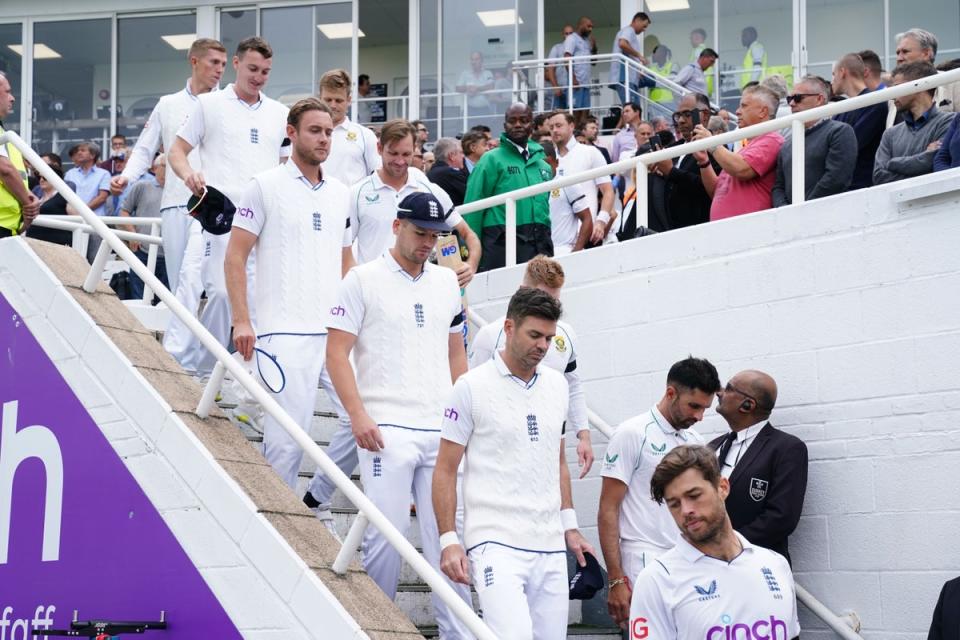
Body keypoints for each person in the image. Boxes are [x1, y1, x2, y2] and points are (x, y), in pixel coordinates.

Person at [326, 191, 475, 639]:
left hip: (439, 431)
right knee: (385, 541)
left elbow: (457, 354)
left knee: (448, 542)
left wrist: (461, 419)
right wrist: (357, 415)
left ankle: (460, 634)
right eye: (420, 232)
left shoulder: (447, 283)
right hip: (384, 429)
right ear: (396, 226)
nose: (428, 242)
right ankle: (375, 630)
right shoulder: (361, 279)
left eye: (435, 236)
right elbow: (336, 354)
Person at [434, 286, 594, 640]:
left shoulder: (557, 386)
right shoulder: (469, 387)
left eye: (549, 338)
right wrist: (448, 540)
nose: (542, 345)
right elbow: (445, 469)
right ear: (509, 328)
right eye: (534, 334)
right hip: (494, 542)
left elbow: (558, 461)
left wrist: (569, 525)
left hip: (550, 543)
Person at [225, 98, 353, 498]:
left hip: (333, 334)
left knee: (365, 421)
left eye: (329, 132)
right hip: (283, 334)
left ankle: (316, 499)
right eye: (315, 130)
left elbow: (347, 262)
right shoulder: (263, 185)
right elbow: (235, 256)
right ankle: (276, 536)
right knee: (284, 447)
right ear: (291, 132)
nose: (324, 139)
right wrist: (242, 320)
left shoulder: (340, 192)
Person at [168, 36, 289, 378]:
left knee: (258, 303)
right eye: (252, 68)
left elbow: (285, 167)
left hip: (265, 223)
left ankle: (242, 380)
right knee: (221, 294)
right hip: (219, 218)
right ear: (235, 64)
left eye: (265, 71)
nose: (258, 76)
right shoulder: (208, 105)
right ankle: (202, 372)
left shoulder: (280, 113)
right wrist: (189, 174)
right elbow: (176, 152)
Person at [113, 38, 227, 374]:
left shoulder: (227, 102)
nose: (219, 70)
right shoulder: (168, 104)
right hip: (179, 204)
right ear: (194, 62)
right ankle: (187, 366)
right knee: (183, 287)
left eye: (223, 64)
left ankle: (208, 365)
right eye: (213, 63)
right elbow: (145, 148)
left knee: (219, 289)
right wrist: (127, 178)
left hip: (219, 205)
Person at [629, 445, 801, 638]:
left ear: (723, 488)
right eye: (674, 504)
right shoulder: (657, 579)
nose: (686, 510)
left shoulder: (775, 563)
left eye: (694, 496)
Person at [598, 356, 719, 630]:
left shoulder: (695, 441)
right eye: (694, 406)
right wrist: (616, 580)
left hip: (690, 563)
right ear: (670, 393)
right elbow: (608, 508)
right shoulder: (631, 433)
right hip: (642, 562)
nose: (699, 416)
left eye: (705, 409)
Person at [469, 256, 595, 472]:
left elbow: (573, 387)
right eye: (542, 297)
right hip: (501, 445)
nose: (547, 307)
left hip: (549, 438)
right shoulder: (489, 336)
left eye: (554, 302)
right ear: (521, 290)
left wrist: (583, 435)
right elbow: (471, 395)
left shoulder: (566, 335)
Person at [343, 119, 479, 275]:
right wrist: (359, 285)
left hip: (419, 292)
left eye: (406, 154)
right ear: (379, 149)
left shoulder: (429, 189)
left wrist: (471, 265)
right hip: (374, 293)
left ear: (415, 149)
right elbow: (342, 249)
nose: (400, 161)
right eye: (393, 153)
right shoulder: (357, 193)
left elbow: (469, 234)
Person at [710, 370, 808, 564]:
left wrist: (727, 545)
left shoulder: (786, 448)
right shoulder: (713, 447)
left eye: (729, 388)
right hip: (712, 567)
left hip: (758, 566)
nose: (719, 392)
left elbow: (781, 518)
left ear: (747, 405)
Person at [463, 102, 553, 271]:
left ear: (532, 125)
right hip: (500, 243)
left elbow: (545, 209)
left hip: (540, 241)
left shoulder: (544, 166)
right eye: (513, 121)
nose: (518, 124)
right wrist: (471, 251)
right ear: (505, 126)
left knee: (539, 295)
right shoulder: (491, 160)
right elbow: (472, 206)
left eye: (524, 120)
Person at [694, 85, 784, 221]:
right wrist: (704, 162)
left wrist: (711, 143)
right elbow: (717, 191)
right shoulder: (745, 148)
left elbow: (741, 170)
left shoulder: (772, 140)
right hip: (730, 230)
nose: (737, 111)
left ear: (762, 112)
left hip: (748, 229)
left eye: (744, 106)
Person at [772, 76, 857, 207]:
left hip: (829, 216)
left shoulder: (839, 132)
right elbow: (778, 187)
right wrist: (786, 210)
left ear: (819, 99)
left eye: (798, 98)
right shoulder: (787, 144)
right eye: (790, 98)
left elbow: (836, 179)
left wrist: (803, 209)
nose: (792, 103)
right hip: (791, 220)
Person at [647, 93, 721, 229]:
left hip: (697, 229)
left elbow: (713, 190)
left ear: (704, 115)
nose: (680, 120)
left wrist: (671, 171)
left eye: (687, 114)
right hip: (666, 228)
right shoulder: (671, 149)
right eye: (678, 115)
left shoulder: (717, 147)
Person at [874, 61, 954, 184]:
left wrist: (892, 162)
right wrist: (923, 159)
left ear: (919, 86)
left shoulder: (949, 122)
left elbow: (935, 162)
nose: (892, 96)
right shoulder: (890, 134)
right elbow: (879, 177)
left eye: (897, 88)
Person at [548, 110, 616, 245]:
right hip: (555, 237)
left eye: (559, 125)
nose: (554, 130)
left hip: (586, 233)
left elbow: (608, 191)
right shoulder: (548, 158)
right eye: (551, 127)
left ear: (572, 126)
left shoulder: (590, 152)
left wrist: (601, 221)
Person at [832, 53, 889, 190]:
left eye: (833, 75)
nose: (832, 81)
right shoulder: (840, 110)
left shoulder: (876, 103)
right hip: (843, 188)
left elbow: (849, 145)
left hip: (864, 187)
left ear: (842, 72)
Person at [318, 68, 381, 187]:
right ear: (320, 98)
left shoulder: (365, 135)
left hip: (351, 204)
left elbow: (377, 175)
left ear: (349, 100)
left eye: (338, 100)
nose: (333, 105)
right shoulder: (306, 135)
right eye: (328, 100)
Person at [119, 153, 170, 300]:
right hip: (142, 251)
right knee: (139, 297)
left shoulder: (179, 191)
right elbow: (124, 211)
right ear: (155, 168)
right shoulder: (142, 187)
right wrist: (132, 235)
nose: (169, 170)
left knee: (166, 300)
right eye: (166, 166)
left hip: (169, 254)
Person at [0, 71, 38, 238]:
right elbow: (5, 170)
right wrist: (28, 204)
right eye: (7, 92)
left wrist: (28, 200)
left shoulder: (4, 134)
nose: (12, 98)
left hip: (7, 226)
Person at [537, 142, 592, 255]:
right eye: (539, 165)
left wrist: (576, 252)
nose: (543, 169)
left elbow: (587, 219)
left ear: (556, 163)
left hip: (563, 251)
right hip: (539, 255)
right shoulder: (531, 188)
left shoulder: (567, 183)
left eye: (547, 163)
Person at [64, 141, 111, 262]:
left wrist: (82, 211)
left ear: (93, 155)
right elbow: (65, 196)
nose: (79, 153)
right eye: (77, 150)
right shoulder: (70, 174)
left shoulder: (104, 174)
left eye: (83, 150)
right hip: (74, 223)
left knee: (94, 261)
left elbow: (102, 197)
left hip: (95, 223)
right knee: (73, 260)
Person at [25, 154, 75, 246]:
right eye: (39, 177)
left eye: (45, 177)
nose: (41, 180)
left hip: (57, 243)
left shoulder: (65, 195)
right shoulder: (37, 196)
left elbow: (77, 218)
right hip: (34, 242)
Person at [608, 12, 652, 106]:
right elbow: (622, 44)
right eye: (644, 26)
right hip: (625, 78)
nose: (644, 30)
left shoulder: (631, 33)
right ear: (637, 20)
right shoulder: (629, 30)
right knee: (632, 109)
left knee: (634, 110)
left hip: (630, 79)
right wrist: (639, 56)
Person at [564, 16, 595, 121]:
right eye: (588, 26)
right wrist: (573, 79)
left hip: (586, 82)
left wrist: (594, 47)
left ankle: (582, 135)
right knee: (575, 111)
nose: (590, 29)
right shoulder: (572, 38)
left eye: (592, 27)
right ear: (581, 25)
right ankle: (575, 134)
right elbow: (567, 58)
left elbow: (594, 62)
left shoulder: (587, 41)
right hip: (576, 81)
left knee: (585, 111)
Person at [427, 136, 468, 205]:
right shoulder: (450, 174)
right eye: (461, 152)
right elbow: (472, 195)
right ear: (451, 156)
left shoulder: (432, 172)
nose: (463, 156)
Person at [456, 51, 495, 119]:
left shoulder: (487, 73)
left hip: (484, 109)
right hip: (470, 110)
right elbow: (457, 88)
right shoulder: (465, 74)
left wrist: (477, 89)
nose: (473, 62)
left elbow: (491, 86)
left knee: (484, 129)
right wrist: (467, 88)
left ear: (481, 61)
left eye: (476, 59)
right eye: (472, 59)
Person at [545, 25, 574, 109]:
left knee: (574, 115)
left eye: (571, 33)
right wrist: (556, 87)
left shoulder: (577, 48)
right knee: (558, 114)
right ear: (563, 35)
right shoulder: (557, 48)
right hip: (561, 89)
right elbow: (550, 69)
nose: (568, 36)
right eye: (566, 33)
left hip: (574, 89)